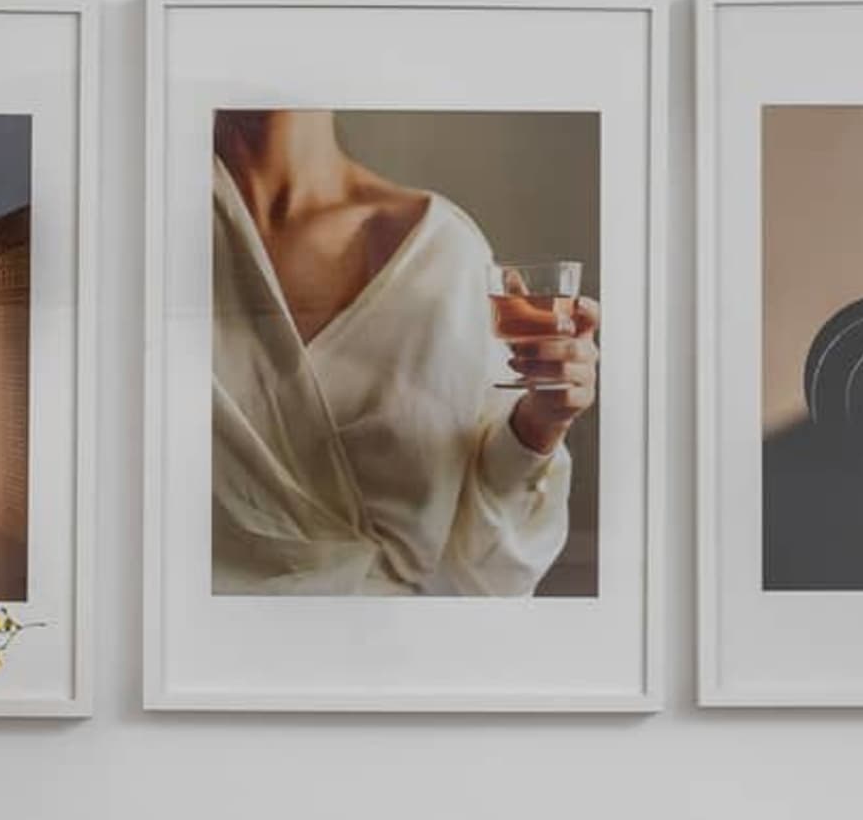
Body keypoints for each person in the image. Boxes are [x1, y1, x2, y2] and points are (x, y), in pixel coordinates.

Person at [209, 110, 598, 597]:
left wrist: (542, 421)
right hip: (192, 654)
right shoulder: (140, 237)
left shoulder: (441, 253)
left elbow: (484, 560)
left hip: (392, 652)